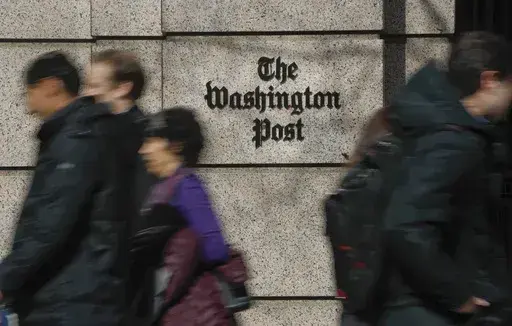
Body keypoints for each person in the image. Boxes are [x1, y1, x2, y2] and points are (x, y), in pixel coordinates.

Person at [378, 31, 512, 325]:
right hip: (433, 313)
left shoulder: (449, 129)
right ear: (489, 80)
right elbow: (404, 224)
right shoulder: (451, 139)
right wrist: (459, 296)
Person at [0, 51, 126, 325]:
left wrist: (6, 278)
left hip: (71, 304)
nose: (28, 105)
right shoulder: (73, 135)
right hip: (69, 300)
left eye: (30, 91)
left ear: (51, 85)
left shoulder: (76, 140)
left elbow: (51, 222)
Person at [134, 107, 245, 325]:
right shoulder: (163, 187)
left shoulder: (187, 186)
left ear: (174, 145)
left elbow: (215, 247)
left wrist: (178, 261)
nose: (143, 151)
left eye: (151, 142)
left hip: (196, 312)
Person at [84, 49, 155, 234]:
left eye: (94, 86)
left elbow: (142, 205)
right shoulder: (96, 130)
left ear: (123, 88)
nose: (86, 94)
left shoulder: (145, 136)